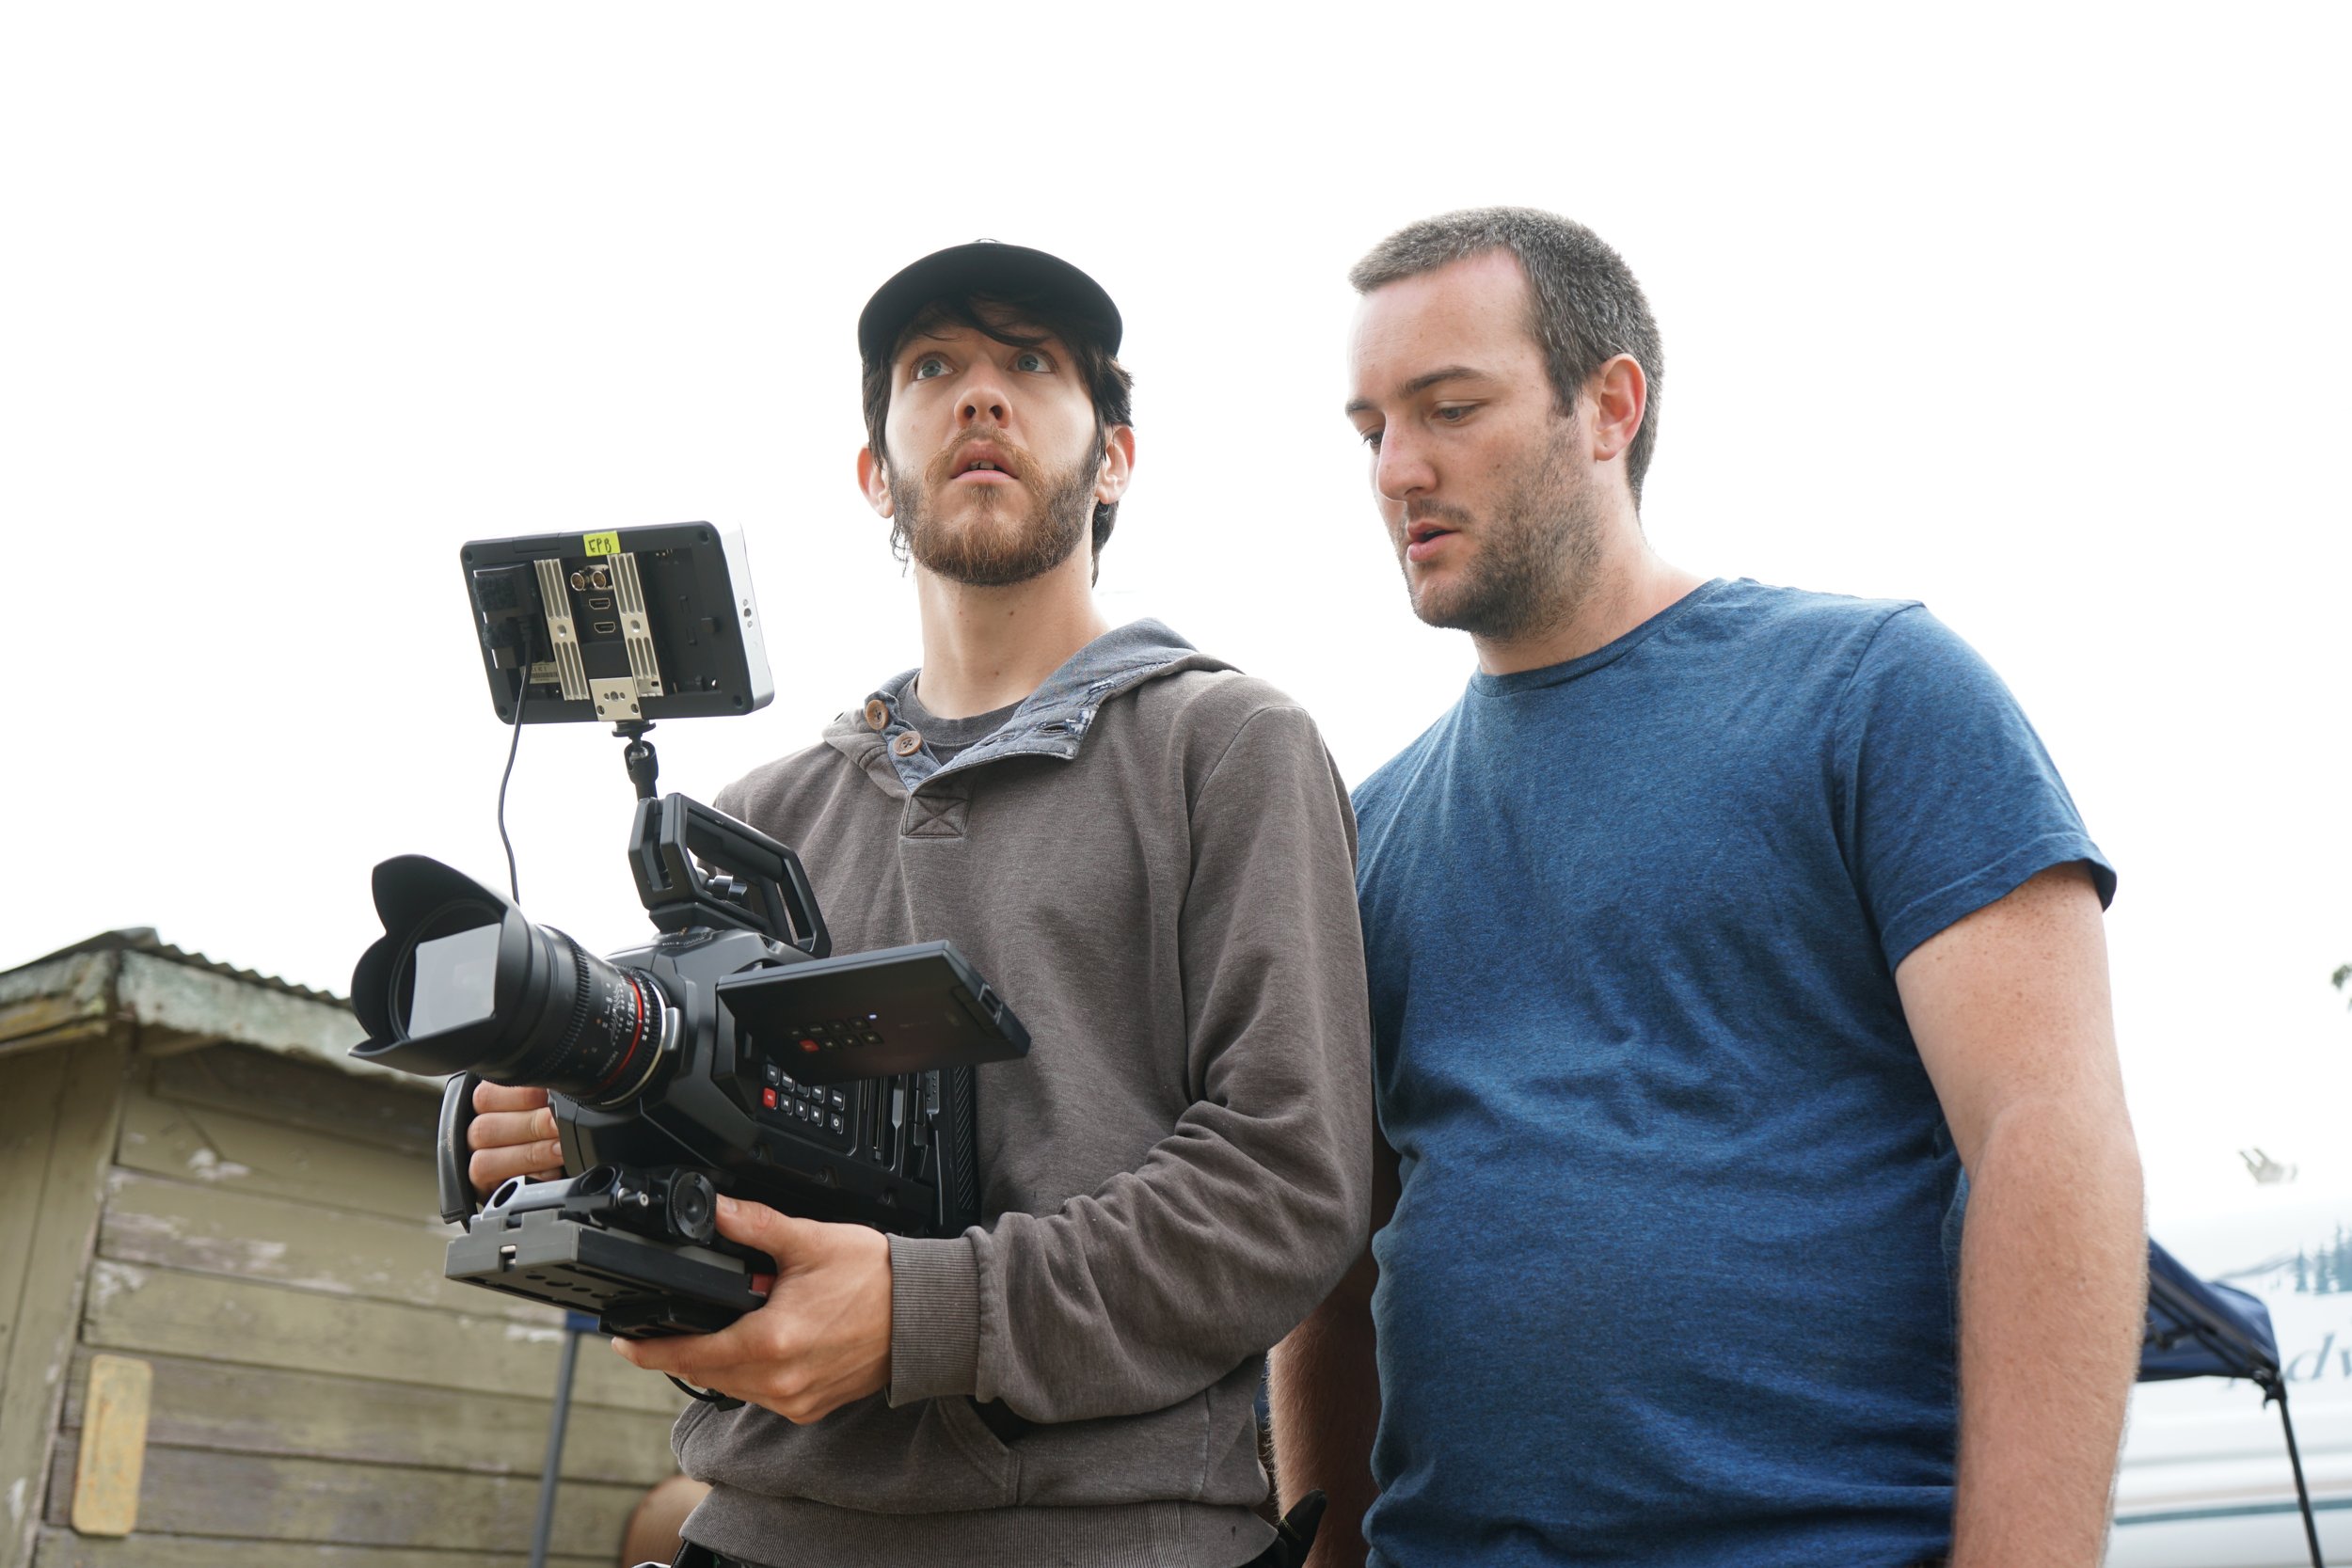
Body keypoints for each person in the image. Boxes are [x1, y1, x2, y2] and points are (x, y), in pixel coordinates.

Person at [469, 240, 1369, 1568]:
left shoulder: (1227, 745)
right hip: (757, 1531)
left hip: (1114, 1543)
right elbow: (729, 1190)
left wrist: (922, 1314)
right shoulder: (758, 820)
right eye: (933, 368)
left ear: (1116, 457)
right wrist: (579, 1140)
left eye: (1033, 365)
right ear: (872, 470)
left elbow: (1289, 1182)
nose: (981, 396)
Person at [1269, 208, 2147, 1568]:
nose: (1397, 468)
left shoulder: (1876, 698)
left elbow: (2049, 1140)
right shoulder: (1363, 832)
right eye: (1369, 427)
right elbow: (1328, 1287)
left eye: (1449, 408)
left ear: (1608, 405)